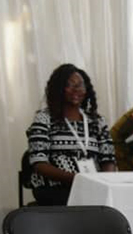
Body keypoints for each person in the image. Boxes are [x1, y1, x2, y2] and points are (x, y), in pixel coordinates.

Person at [25, 63, 115, 206]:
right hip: (54, 188)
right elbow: (39, 163)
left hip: (92, 187)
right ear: (58, 89)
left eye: (80, 85)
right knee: (84, 202)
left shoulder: (97, 122)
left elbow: (108, 160)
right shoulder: (44, 118)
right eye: (69, 85)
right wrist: (78, 180)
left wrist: (104, 183)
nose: (76, 89)